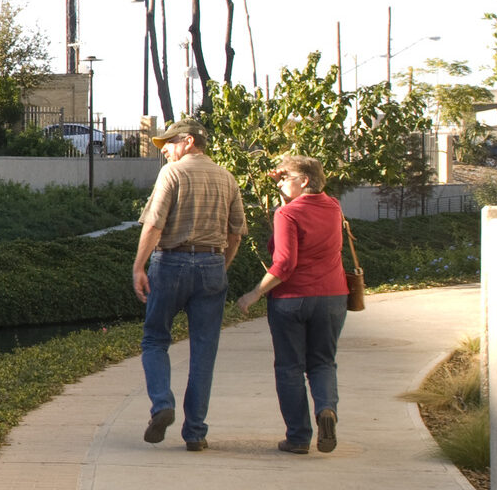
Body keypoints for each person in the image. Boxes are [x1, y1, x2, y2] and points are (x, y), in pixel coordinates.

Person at [130, 118, 247, 450]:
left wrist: (139, 266)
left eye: (169, 142)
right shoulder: (227, 178)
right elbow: (235, 233)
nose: (165, 149)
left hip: (170, 263)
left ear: (190, 141)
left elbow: (154, 224)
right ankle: (195, 432)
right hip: (211, 263)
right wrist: (218, 266)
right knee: (204, 351)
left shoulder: (173, 173)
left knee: (155, 339)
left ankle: (162, 404)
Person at [238, 154, 350, 454]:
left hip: (292, 300)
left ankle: (299, 437)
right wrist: (283, 187)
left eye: (285, 177)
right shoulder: (333, 206)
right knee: (323, 362)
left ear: (304, 180)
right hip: (333, 296)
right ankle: (326, 410)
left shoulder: (287, 214)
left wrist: (254, 293)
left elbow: (285, 264)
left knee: (289, 367)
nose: (280, 183)